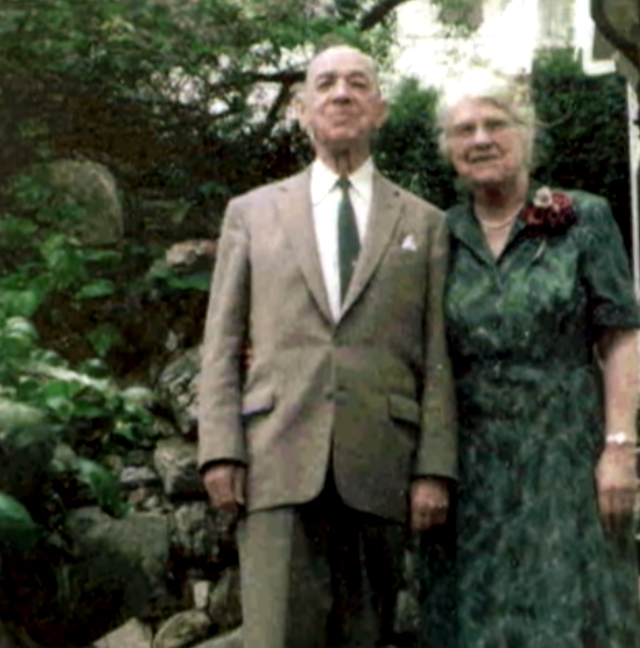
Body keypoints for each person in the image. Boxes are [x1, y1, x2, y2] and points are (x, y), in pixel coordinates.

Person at [197, 44, 457, 648]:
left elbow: (438, 355)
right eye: (326, 83)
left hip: (381, 465)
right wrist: (219, 450)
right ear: (301, 110)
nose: (342, 94)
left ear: (381, 109)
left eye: (358, 83)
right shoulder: (251, 214)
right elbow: (221, 341)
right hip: (275, 461)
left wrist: (434, 468)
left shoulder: (425, 224)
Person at [419, 71, 640, 647]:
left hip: (566, 453)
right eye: (464, 129)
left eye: (495, 123)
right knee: (479, 617)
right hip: (471, 467)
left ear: (526, 133)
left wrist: (619, 449)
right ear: (448, 149)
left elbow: (619, 338)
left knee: (575, 607)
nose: (480, 139)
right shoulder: (438, 235)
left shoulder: (583, 219)